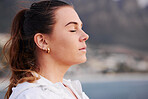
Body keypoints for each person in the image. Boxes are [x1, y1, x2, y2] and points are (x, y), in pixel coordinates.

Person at [3, 0, 89, 99]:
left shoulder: (69, 89)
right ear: (42, 41)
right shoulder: (33, 95)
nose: (85, 36)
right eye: (73, 29)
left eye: (81, 28)